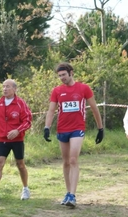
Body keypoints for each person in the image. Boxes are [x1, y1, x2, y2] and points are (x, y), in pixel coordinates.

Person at [44, 62, 104, 208]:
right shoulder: (57, 91)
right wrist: (47, 127)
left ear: (71, 73)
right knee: (65, 162)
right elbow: (51, 110)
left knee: (73, 159)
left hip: (77, 128)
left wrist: (100, 128)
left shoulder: (83, 88)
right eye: (59, 76)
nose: (62, 78)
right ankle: (67, 192)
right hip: (62, 129)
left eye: (64, 75)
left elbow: (95, 109)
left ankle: (72, 195)